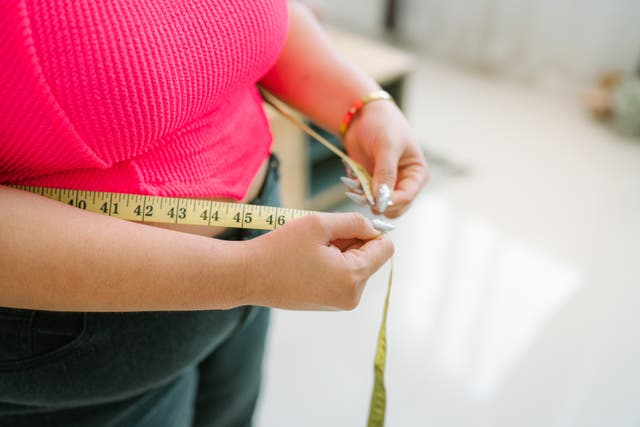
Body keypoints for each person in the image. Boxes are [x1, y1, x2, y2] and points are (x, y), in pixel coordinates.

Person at [0, 1, 428, 426]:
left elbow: (241, 18)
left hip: (258, 272)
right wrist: (244, 274)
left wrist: (361, 106)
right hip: (81, 350)